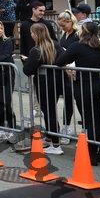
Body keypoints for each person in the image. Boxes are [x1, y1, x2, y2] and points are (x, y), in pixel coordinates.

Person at [55, 22, 100, 166]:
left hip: (85, 87)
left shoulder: (77, 46)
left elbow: (60, 61)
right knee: (99, 119)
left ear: (84, 31)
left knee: (90, 121)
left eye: (80, 29)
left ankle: (91, 155)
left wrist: (68, 66)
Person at [22, 23, 64, 155]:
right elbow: (62, 59)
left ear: (36, 34)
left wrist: (27, 61)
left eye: (32, 33)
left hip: (44, 83)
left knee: (49, 111)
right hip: (56, 82)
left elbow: (28, 70)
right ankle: (51, 138)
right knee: (50, 111)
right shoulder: (55, 45)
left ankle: (56, 144)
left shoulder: (36, 50)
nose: (31, 35)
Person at [56, 10, 79, 137]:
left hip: (75, 71)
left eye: (63, 25)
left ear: (70, 22)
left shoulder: (77, 34)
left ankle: (83, 129)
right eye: (60, 26)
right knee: (68, 99)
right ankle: (66, 126)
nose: (62, 28)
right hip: (66, 70)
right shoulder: (64, 34)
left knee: (77, 101)